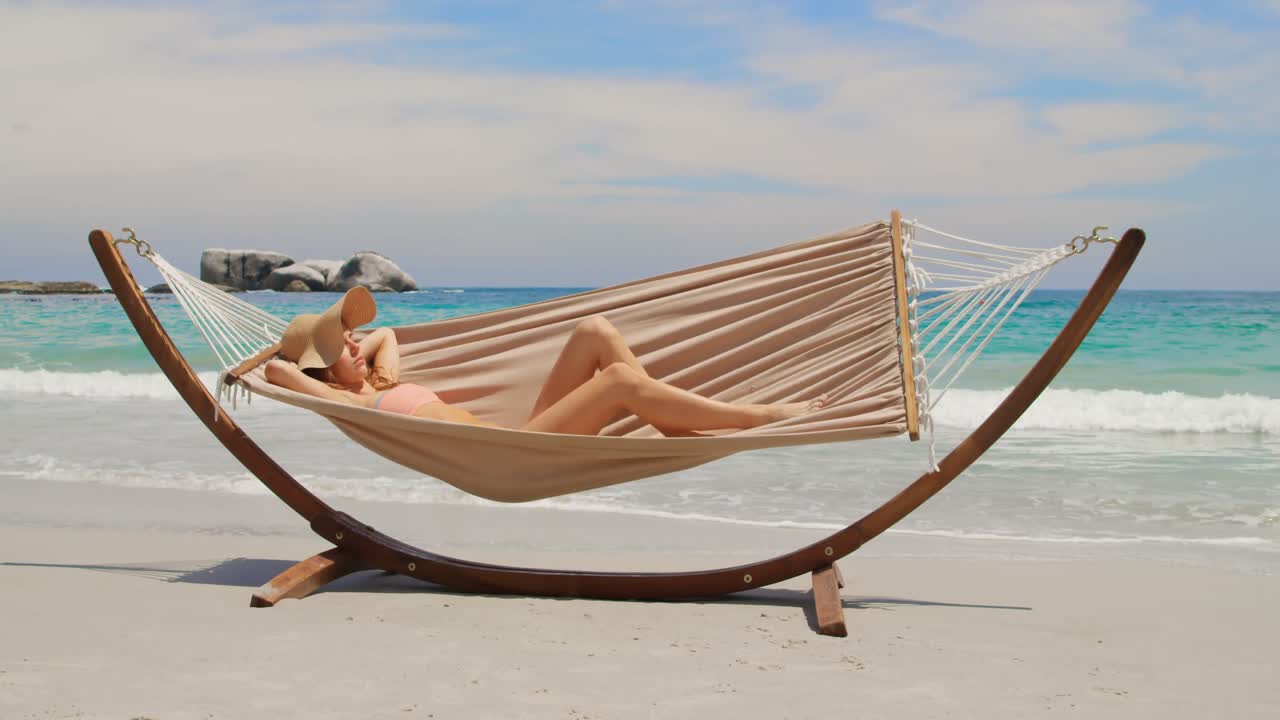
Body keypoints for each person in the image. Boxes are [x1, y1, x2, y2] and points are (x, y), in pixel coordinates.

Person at [265, 287, 827, 436]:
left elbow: (385, 331)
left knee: (594, 329)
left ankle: (670, 418)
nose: (358, 345)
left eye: (352, 336)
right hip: (510, 456)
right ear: (322, 372)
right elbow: (281, 374)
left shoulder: (380, 378)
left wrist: (342, 338)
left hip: (522, 432)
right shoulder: (346, 403)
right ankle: (759, 415)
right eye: (344, 347)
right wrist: (287, 357)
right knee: (619, 381)